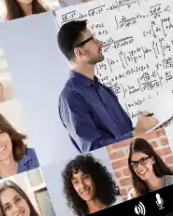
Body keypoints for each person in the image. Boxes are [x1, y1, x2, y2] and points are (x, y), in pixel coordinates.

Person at [57, 19, 157, 152]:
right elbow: (93, 150)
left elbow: (126, 135)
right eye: (92, 39)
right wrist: (136, 132)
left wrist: (146, 128)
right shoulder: (71, 97)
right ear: (79, 52)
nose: (99, 43)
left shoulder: (104, 90)